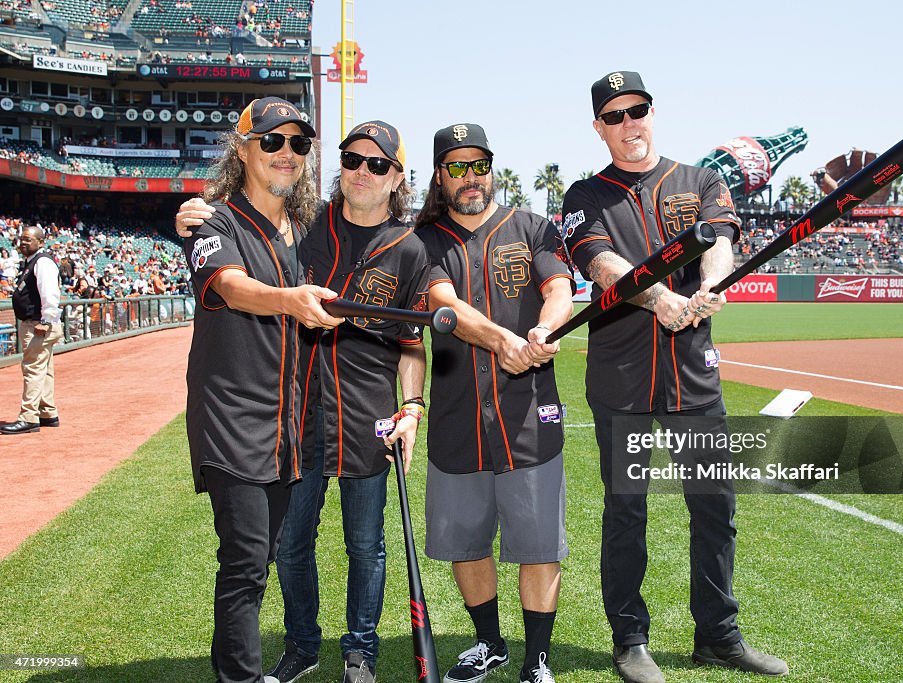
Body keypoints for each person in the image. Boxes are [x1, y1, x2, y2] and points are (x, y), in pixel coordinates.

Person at [177, 120, 428, 683]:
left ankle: (360, 651)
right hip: (292, 413)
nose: (363, 171)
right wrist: (190, 218)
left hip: (368, 416)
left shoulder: (410, 248)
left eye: (379, 164)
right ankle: (302, 643)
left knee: (366, 545)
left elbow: (415, 345)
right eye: (353, 159)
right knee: (289, 545)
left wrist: (412, 408)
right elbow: (234, 247)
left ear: (397, 178)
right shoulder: (306, 224)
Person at [561, 71, 789, 682]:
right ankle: (630, 639)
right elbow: (603, 264)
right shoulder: (584, 195)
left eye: (636, 110)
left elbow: (717, 242)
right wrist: (661, 296)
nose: (628, 124)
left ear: (653, 112)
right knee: (627, 511)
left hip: (694, 375)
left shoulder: (701, 181)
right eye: (614, 116)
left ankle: (718, 636)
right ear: (599, 128)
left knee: (715, 507)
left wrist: (713, 285)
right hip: (623, 377)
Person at [183, 96, 344, 683]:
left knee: (261, 558)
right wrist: (290, 301)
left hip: (287, 426)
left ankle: (232, 666)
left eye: (298, 144)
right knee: (247, 564)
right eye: (272, 141)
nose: (286, 153)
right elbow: (227, 285)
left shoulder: (303, 230)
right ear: (243, 149)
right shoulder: (214, 219)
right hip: (232, 418)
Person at [415, 123, 574, 683]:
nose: (470, 176)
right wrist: (503, 340)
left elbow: (559, 288)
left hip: (529, 415)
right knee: (467, 542)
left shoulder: (532, 227)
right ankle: (489, 644)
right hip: (459, 418)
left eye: (478, 164)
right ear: (441, 175)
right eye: (456, 166)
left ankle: (537, 661)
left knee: (538, 546)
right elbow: (444, 303)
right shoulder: (425, 239)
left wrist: (542, 330)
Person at [1, 224, 62, 435]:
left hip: (39, 324)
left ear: (41, 242)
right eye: (22, 239)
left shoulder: (43, 261)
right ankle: (48, 413)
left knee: (33, 369)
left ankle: (28, 417)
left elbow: (50, 293)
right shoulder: (31, 261)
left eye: (29, 239)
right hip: (37, 322)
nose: (24, 242)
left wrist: (46, 320)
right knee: (44, 370)